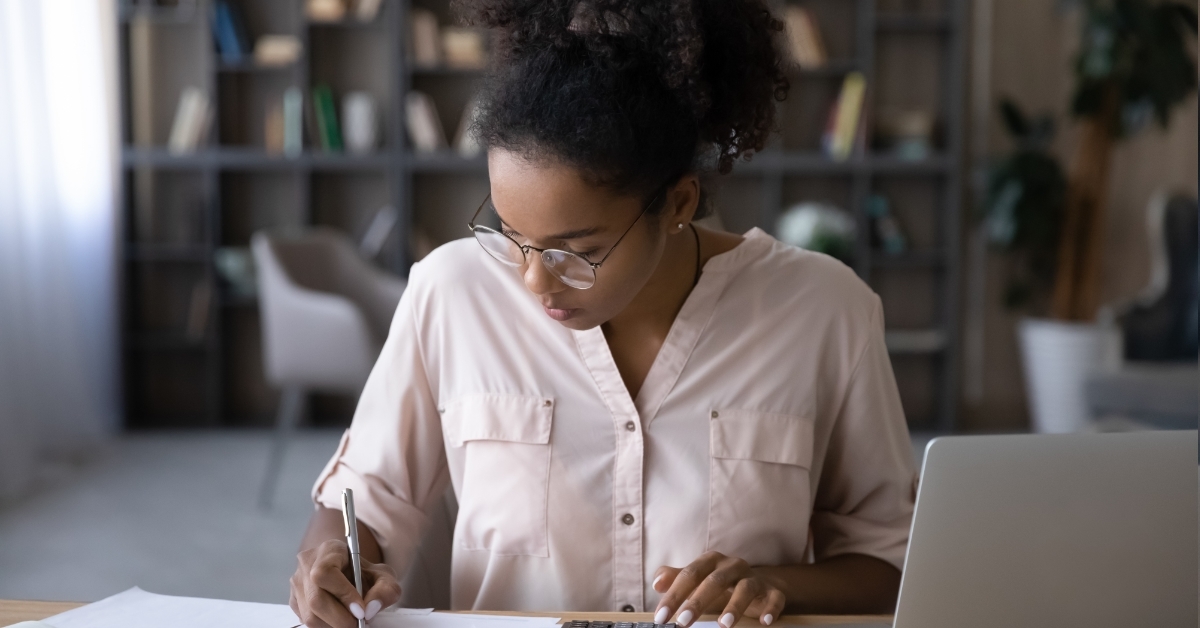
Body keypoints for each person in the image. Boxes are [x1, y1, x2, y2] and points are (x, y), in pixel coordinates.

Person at [288, 1, 916, 627]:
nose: (533, 280)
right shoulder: (451, 295)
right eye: (510, 234)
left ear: (677, 203)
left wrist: (774, 585)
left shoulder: (825, 312)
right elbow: (363, 503)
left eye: (577, 251)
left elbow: (890, 561)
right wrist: (330, 565)